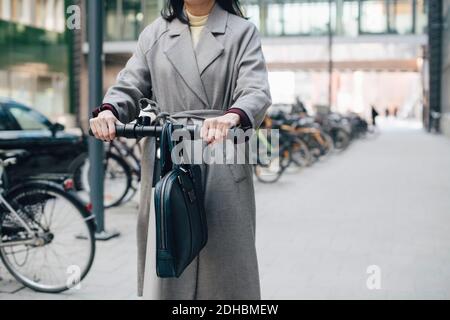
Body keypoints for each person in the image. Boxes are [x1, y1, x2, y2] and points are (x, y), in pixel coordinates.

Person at [89, 0, 271, 300]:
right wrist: (109, 110)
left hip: (221, 150)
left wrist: (231, 116)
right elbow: (129, 85)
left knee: (223, 262)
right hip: (168, 154)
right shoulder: (154, 34)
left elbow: (256, 90)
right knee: (170, 254)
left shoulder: (242, 32)